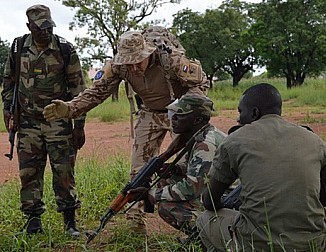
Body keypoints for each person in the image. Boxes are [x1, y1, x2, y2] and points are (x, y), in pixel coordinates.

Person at [42, 29, 209, 233]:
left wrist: (186, 114)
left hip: (181, 113)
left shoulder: (171, 59)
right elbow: (97, 92)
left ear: (148, 53)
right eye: (129, 63)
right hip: (149, 112)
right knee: (139, 168)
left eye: (139, 61)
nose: (134, 68)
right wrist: (70, 108)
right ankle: (135, 223)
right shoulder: (118, 66)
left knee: (189, 165)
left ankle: (199, 218)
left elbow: (200, 86)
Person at [196, 83, 326, 251]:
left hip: (257, 243)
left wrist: (235, 205)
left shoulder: (234, 140)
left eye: (241, 112)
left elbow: (210, 201)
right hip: (312, 244)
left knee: (205, 219)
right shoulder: (313, 139)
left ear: (254, 112)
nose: (238, 119)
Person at [1, 5, 86, 237]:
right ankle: (33, 223)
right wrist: (7, 110)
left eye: (48, 27)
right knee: (29, 173)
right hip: (27, 123)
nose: (45, 32)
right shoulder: (18, 47)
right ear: (29, 27)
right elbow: (8, 80)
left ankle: (70, 223)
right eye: (40, 28)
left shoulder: (65, 49)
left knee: (64, 172)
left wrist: (79, 125)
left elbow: (79, 90)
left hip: (58, 123)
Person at [127, 94, 226, 233]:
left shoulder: (205, 144)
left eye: (179, 115)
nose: (172, 118)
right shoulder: (201, 135)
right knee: (166, 180)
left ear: (197, 119)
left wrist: (150, 194)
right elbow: (205, 170)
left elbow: (192, 188)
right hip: (218, 191)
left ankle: (209, 234)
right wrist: (178, 169)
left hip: (227, 199)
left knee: (167, 208)